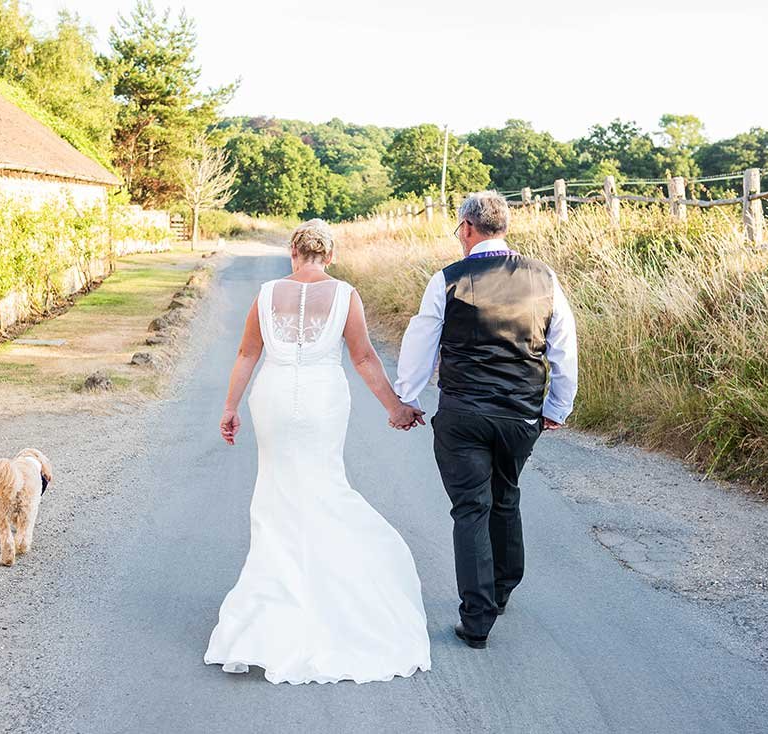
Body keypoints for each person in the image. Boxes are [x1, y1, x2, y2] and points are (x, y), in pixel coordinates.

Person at [204, 219, 431, 684]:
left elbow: (247, 354)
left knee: (276, 492)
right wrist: (396, 407)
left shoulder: (266, 294)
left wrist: (230, 408)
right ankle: (334, 590)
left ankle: (276, 598)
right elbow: (364, 357)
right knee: (325, 484)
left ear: (293, 250)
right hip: (323, 399)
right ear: (330, 255)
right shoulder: (346, 294)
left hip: (272, 398)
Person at [395, 191, 578, 649]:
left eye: (459, 229)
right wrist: (557, 407)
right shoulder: (544, 277)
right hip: (519, 414)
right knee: (505, 494)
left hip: (463, 414)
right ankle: (502, 587)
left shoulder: (449, 279)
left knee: (470, 508)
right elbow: (563, 346)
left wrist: (407, 396)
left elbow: (422, 339)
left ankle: (477, 619)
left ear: (468, 228)